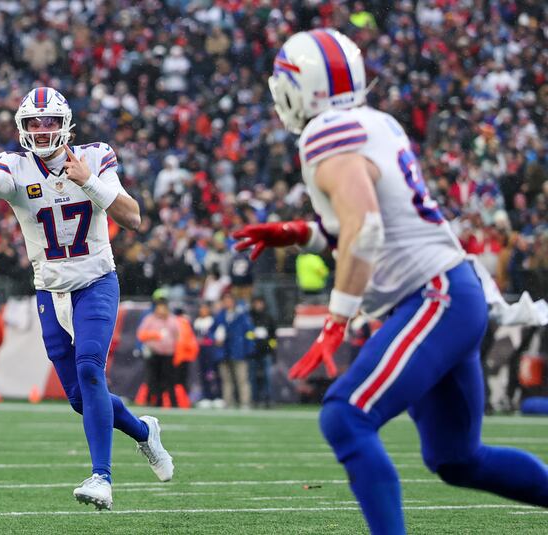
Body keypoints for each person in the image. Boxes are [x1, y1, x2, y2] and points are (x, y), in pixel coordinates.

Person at [233, 29, 548, 534]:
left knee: (344, 416)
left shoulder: (325, 133)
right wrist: (303, 235)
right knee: (455, 458)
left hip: (434, 296)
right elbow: (370, 223)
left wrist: (337, 318)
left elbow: (368, 228)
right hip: (451, 293)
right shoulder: (376, 122)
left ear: (300, 87)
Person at [0, 86, 173, 510]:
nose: (42, 130)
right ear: (22, 127)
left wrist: (88, 182)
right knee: (79, 398)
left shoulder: (94, 156)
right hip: (49, 288)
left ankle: (102, 478)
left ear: (65, 124)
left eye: (50, 121)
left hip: (96, 281)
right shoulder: (16, 164)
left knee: (91, 369)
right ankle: (144, 432)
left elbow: (133, 218)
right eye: (34, 122)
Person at [212, 293, 255, 409]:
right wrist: (215, 339)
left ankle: (245, 402)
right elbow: (211, 332)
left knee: (242, 379)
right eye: (225, 301)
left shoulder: (242, 315)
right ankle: (228, 402)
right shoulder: (220, 316)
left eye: (229, 300)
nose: (227, 303)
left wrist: (248, 349)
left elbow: (249, 333)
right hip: (223, 351)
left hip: (238, 351)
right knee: (226, 380)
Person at [137, 298, 181, 407]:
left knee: (168, 379)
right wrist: (155, 335)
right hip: (154, 353)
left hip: (168, 354)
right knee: (153, 378)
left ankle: (172, 403)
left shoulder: (172, 320)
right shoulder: (150, 319)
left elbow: (178, 335)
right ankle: (153, 401)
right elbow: (141, 334)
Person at [247, 296, 277, 408]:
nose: (258, 305)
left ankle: (268, 400)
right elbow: (246, 333)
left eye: (260, 303)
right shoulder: (249, 317)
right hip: (253, 352)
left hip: (266, 352)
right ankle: (254, 400)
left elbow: (274, 336)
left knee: (267, 378)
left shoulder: (268, 317)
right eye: (256, 303)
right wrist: (253, 336)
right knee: (252, 378)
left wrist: (270, 346)